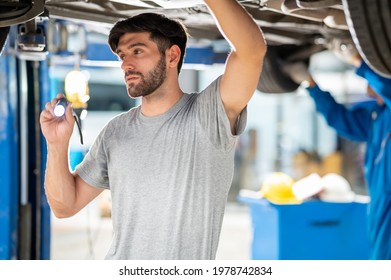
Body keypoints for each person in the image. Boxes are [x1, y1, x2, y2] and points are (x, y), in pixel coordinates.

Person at [40, 0, 266, 260]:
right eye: (123, 56)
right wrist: (57, 145)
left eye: (137, 51)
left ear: (172, 56)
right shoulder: (115, 132)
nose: (125, 64)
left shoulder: (208, 116)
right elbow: (64, 207)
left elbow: (251, 50)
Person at [286, 56, 391, 260]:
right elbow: (339, 118)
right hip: (380, 214)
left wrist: (360, 61)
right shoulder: (376, 118)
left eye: (369, 81)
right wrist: (310, 83)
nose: (366, 87)